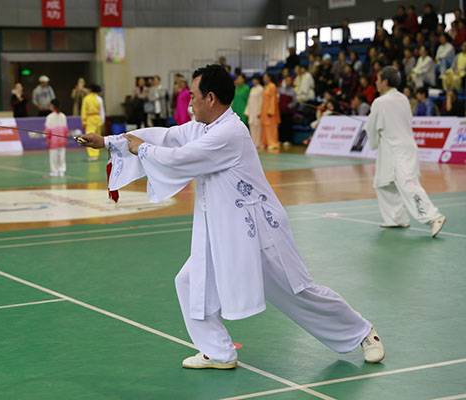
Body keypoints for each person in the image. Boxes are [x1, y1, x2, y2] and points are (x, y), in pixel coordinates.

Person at [79, 64, 385, 368]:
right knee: (190, 281)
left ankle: (362, 333)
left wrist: (142, 150)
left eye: (194, 96)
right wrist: (108, 141)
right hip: (224, 232)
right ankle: (218, 352)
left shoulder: (229, 133)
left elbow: (179, 158)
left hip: (259, 231)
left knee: (298, 292)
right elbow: (168, 137)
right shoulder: (203, 128)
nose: (190, 102)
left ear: (210, 98)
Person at [365, 66, 446, 237]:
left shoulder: (379, 102)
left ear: (385, 82)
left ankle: (434, 217)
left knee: (407, 184)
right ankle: (396, 219)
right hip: (400, 147)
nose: (376, 82)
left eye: (378, 79)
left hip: (396, 150)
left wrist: (373, 137)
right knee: (383, 183)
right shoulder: (403, 98)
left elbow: (372, 127)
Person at [44, 99, 68, 177]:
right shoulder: (63, 116)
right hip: (62, 140)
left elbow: (48, 130)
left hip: (53, 140)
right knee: (62, 156)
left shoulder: (49, 117)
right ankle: (62, 171)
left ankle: (54, 171)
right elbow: (66, 129)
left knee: (53, 157)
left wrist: (47, 139)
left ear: (52, 106)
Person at [81, 84, 105, 161]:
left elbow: (83, 110)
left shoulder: (86, 99)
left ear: (90, 90)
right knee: (97, 136)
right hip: (98, 119)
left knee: (89, 137)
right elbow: (102, 111)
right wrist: (102, 120)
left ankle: (92, 155)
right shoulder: (99, 98)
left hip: (90, 119)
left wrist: (84, 121)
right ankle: (96, 154)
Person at [260, 73, 280, 151]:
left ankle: (273, 143)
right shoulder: (265, 87)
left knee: (271, 127)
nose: (264, 79)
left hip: (270, 111)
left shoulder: (272, 86)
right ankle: (266, 142)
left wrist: (271, 110)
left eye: (266, 77)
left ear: (269, 78)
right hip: (264, 109)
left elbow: (273, 99)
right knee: (265, 126)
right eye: (264, 78)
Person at [244, 75, 263, 149]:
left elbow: (261, 101)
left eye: (255, 79)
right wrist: (247, 111)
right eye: (253, 80)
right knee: (251, 126)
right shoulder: (252, 89)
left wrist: (260, 111)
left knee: (258, 127)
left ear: (258, 80)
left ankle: (258, 143)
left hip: (257, 110)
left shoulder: (261, 89)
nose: (254, 81)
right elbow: (249, 101)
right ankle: (253, 143)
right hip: (251, 110)